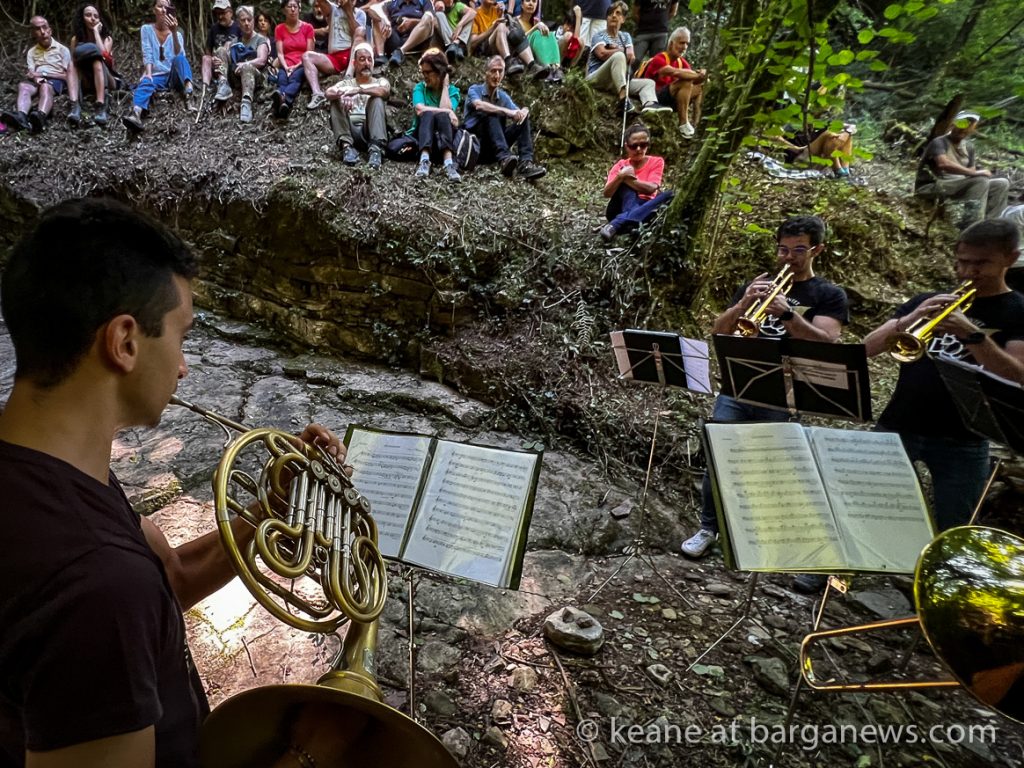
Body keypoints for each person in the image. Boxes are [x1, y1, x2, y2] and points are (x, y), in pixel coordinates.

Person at [0, 197, 348, 767]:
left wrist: (270, 510)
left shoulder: (38, 467)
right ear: (125, 343)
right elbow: (114, 597)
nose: (184, 367)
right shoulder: (96, 586)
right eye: (182, 337)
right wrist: (307, 754)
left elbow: (168, 582)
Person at [680, 216, 849, 558]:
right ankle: (708, 528)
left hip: (786, 394)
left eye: (799, 250)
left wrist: (789, 316)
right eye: (783, 249)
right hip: (738, 384)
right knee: (719, 455)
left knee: (768, 466)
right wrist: (744, 305)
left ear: (817, 249)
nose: (789, 258)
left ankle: (756, 537)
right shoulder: (756, 284)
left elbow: (827, 344)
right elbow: (719, 331)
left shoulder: (829, 295)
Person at [863, 219, 1024, 531]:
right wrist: (911, 318)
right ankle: (830, 579)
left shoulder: (1018, 311)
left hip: (965, 439)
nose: (967, 272)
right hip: (899, 424)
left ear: (1011, 258)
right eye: (962, 262)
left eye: (981, 264)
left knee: (954, 527)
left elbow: (1018, 374)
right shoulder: (929, 300)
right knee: (863, 505)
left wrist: (973, 334)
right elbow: (866, 349)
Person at [915, 111, 1010, 227]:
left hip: (957, 186)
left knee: (1001, 184)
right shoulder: (939, 142)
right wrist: (974, 173)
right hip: (932, 187)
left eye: (970, 125)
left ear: (973, 129)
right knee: (980, 181)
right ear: (953, 125)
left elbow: (971, 172)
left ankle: (991, 225)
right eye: (962, 123)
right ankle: (972, 225)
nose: (964, 128)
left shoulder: (969, 147)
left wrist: (975, 173)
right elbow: (943, 164)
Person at [465, 56, 547, 179]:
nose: (496, 75)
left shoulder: (502, 96)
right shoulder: (474, 90)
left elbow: (517, 112)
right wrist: (506, 112)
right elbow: (479, 105)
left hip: (495, 147)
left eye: (500, 71)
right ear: (485, 73)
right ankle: (504, 159)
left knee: (523, 119)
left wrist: (524, 111)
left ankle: (525, 164)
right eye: (493, 71)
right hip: (477, 146)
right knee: (490, 113)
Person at [122, 0, 196, 134]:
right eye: (160, 6)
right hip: (157, 75)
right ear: (154, 10)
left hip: (172, 76)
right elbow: (147, 52)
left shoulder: (177, 34)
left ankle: (189, 95)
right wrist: (148, 74)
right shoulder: (146, 30)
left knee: (180, 58)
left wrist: (173, 33)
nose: (163, 10)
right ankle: (136, 114)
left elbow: (179, 55)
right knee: (146, 81)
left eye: (166, 8)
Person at [1, 16, 81, 134]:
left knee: (45, 86)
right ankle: (21, 117)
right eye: (38, 29)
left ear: (50, 30)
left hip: (56, 81)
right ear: (33, 32)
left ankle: (41, 116)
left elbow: (68, 76)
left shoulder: (62, 50)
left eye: (45, 27)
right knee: (23, 86)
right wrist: (35, 77)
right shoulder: (31, 52)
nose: (43, 32)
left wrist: (43, 74)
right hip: (38, 81)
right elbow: (32, 72)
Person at [599, 123, 673, 241]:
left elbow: (651, 189)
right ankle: (628, 221)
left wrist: (628, 178)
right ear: (627, 146)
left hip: (646, 205)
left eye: (643, 145)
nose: (639, 149)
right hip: (620, 207)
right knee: (625, 187)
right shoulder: (621, 165)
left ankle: (620, 224)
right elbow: (607, 193)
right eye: (634, 146)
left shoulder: (656, 161)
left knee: (670, 195)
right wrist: (620, 177)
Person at [585, 2, 661, 115]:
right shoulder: (599, 35)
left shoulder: (625, 36)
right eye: (610, 13)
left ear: (623, 19)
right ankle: (623, 100)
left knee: (648, 83)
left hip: (616, 80)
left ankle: (650, 105)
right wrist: (620, 51)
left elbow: (631, 56)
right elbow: (602, 53)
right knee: (619, 56)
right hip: (597, 77)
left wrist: (621, 50)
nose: (614, 16)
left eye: (618, 13)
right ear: (607, 18)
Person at [327, 42, 390, 168]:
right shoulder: (347, 83)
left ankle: (376, 150)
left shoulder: (380, 81)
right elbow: (328, 92)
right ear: (354, 64)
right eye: (362, 60)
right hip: (350, 128)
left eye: (369, 60)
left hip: (370, 129)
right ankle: (346, 147)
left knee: (376, 100)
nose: (366, 63)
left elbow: (384, 91)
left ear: (373, 63)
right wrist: (342, 94)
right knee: (335, 100)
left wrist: (359, 90)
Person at [407, 48, 462, 182]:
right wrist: (448, 112)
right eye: (423, 72)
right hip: (422, 138)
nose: (425, 76)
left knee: (442, 116)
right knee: (427, 114)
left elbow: (446, 112)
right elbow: (420, 110)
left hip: (443, 139)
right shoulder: (420, 87)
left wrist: (444, 87)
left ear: (439, 72)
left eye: (428, 72)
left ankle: (449, 163)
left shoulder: (453, 91)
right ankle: (424, 160)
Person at [642, 26, 705, 138]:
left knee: (700, 87)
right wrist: (697, 75)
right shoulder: (659, 58)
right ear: (671, 44)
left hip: (673, 98)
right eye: (681, 43)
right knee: (685, 82)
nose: (684, 47)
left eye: (687, 44)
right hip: (656, 98)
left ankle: (696, 123)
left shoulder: (683, 62)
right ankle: (683, 123)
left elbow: (694, 78)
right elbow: (675, 72)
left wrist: (702, 76)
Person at [303, 0, 366, 110]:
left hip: (352, 56)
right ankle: (317, 93)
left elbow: (357, 33)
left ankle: (349, 76)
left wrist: (348, 11)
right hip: (334, 58)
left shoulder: (360, 13)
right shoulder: (333, 9)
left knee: (360, 30)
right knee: (307, 56)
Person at [214, 5, 271, 122]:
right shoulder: (235, 41)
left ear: (253, 21)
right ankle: (223, 85)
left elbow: (262, 60)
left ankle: (246, 104)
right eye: (243, 20)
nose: (246, 23)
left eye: (249, 20)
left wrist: (245, 64)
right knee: (220, 50)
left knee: (247, 67)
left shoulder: (260, 39)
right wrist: (217, 61)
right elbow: (223, 56)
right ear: (238, 23)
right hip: (236, 77)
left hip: (255, 77)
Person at [469, 0, 547, 79]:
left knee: (516, 32)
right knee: (501, 26)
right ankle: (508, 61)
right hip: (483, 48)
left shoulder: (497, 10)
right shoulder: (476, 14)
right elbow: (472, 43)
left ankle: (532, 65)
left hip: (499, 45)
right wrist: (492, 28)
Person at [388, 0, 476, 67]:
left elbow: (473, 12)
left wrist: (460, 25)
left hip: (456, 40)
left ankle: (456, 44)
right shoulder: (392, 3)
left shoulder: (457, 6)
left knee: (469, 19)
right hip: (445, 41)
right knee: (439, 15)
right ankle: (453, 45)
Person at [70, 4, 116, 127]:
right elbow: (75, 61)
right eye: (88, 15)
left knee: (97, 61)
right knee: (71, 64)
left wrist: (96, 33)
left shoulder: (107, 39)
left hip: (107, 79)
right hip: (87, 80)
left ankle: (101, 105)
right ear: (82, 18)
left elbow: (105, 59)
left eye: (96, 16)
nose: (92, 18)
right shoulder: (76, 39)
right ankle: (75, 105)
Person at [271, 0, 315, 119]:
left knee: (295, 78)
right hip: (286, 63)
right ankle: (284, 103)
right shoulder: (279, 29)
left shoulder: (308, 28)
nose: (292, 9)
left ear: (299, 8)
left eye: (295, 6)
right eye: (289, 6)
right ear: (284, 9)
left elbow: (309, 53)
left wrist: (295, 67)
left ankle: (284, 98)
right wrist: (286, 67)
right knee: (282, 78)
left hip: (302, 63)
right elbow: (280, 53)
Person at [202, 0, 242, 102]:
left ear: (231, 13)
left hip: (234, 66)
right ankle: (204, 89)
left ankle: (224, 85)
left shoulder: (239, 28)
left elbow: (244, 50)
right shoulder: (214, 28)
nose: (220, 17)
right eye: (218, 14)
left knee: (222, 49)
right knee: (206, 58)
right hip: (217, 66)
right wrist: (213, 58)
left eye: (223, 13)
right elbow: (208, 50)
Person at [516, 0, 563, 83]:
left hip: (534, 53)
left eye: (534, 1)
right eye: (527, 1)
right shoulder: (515, 21)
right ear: (522, 5)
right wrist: (535, 28)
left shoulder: (535, 22)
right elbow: (517, 39)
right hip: (522, 53)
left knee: (550, 34)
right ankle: (547, 68)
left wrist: (537, 26)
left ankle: (556, 68)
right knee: (537, 33)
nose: (531, 4)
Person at [630, 0, 675, 64]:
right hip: (643, 32)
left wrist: (662, 22)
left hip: (661, 33)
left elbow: (673, 12)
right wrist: (643, 23)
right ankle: (629, 74)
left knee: (657, 63)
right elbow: (635, 13)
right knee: (634, 60)